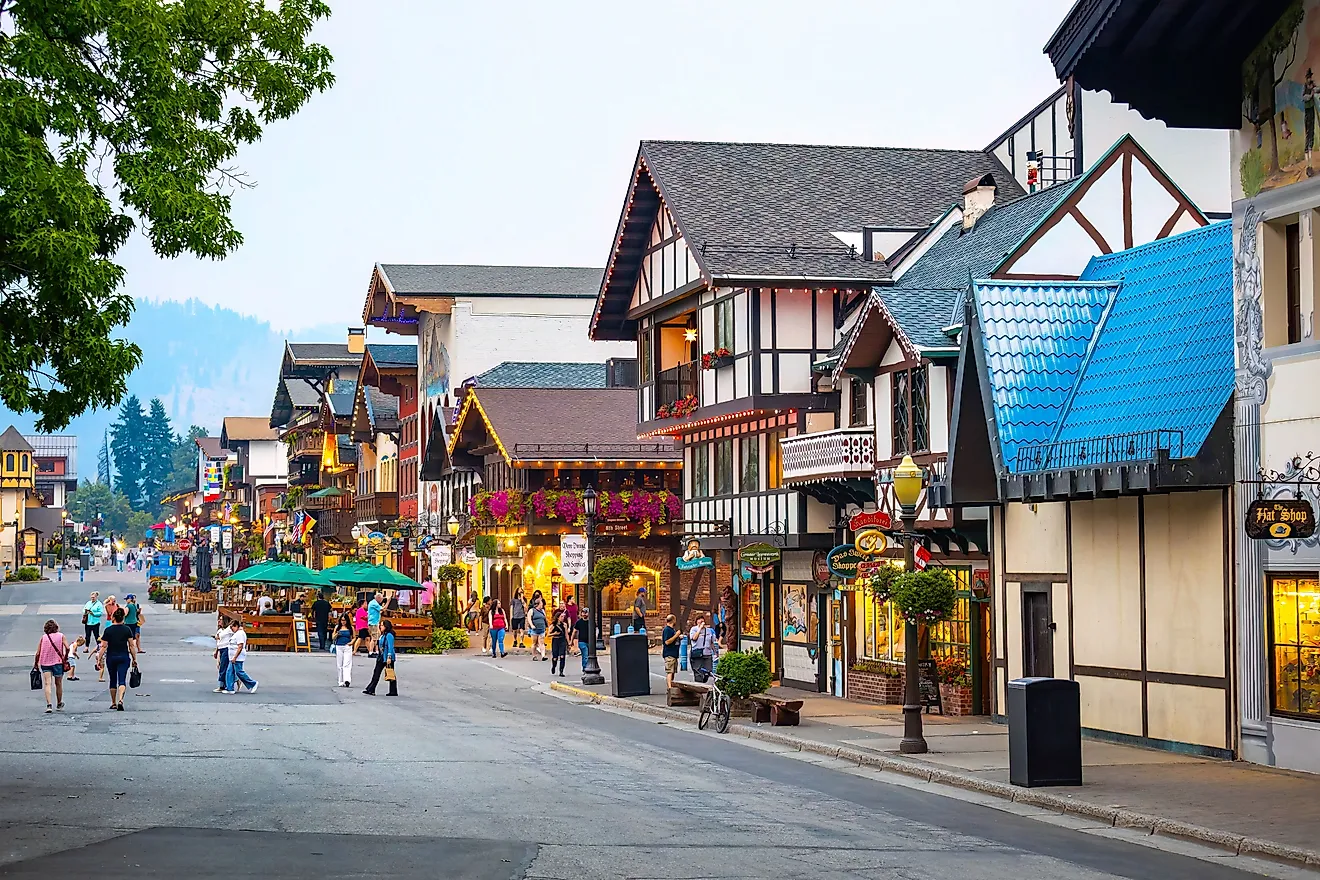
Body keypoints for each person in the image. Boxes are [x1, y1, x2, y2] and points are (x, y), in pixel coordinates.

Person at [96, 608, 138, 710]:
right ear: (123, 618)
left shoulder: (108, 630)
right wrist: (134, 659)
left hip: (111, 657)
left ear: (113, 618)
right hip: (123, 657)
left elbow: (103, 646)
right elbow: (131, 646)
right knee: (122, 680)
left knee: (113, 679)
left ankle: (113, 702)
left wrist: (99, 659)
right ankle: (121, 700)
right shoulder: (127, 629)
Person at [33, 620, 69, 713]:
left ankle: (49, 705)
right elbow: (68, 647)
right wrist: (65, 656)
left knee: (47, 683)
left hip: (45, 662)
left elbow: (38, 653)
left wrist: (36, 663)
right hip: (58, 662)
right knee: (58, 683)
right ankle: (59, 703)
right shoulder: (61, 636)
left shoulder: (44, 637)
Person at [363, 618, 397, 696]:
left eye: (382, 625)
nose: (380, 627)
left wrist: (389, 657)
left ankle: (393, 691)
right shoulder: (383, 635)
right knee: (376, 672)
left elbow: (390, 647)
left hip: (387, 657)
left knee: (390, 673)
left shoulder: (389, 635)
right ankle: (371, 688)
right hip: (381, 656)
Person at [223, 619, 258, 694]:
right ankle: (230, 688)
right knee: (230, 672)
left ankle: (252, 683)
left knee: (239, 672)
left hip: (237, 657)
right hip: (232, 657)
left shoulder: (240, 634)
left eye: (232, 627)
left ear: (236, 626)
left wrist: (235, 657)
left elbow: (240, 646)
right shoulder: (236, 634)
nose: (231, 629)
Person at [688, 613, 718, 682]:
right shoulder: (694, 629)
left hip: (707, 654)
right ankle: (699, 688)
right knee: (698, 673)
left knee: (708, 672)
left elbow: (711, 642)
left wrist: (715, 652)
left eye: (702, 620)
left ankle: (703, 681)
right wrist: (699, 629)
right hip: (697, 653)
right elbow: (694, 638)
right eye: (699, 620)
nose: (701, 621)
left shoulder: (709, 630)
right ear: (696, 622)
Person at [333, 613, 355, 687]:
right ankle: (340, 681)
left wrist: (351, 642)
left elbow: (354, 637)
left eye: (344, 620)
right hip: (339, 646)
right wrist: (337, 634)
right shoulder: (337, 627)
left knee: (347, 663)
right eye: (342, 620)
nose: (343, 622)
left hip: (347, 646)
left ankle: (347, 680)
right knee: (340, 664)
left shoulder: (351, 628)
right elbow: (333, 637)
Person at [661, 614, 682, 690]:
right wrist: (676, 635)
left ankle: (672, 685)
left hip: (674, 653)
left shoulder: (672, 629)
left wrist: (679, 637)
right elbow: (667, 642)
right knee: (670, 671)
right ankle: (669, 688)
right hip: (669, 653)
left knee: (673, 672)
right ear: (673, 620)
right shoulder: (667, 630)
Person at [549, 609, 570, 677]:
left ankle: (561, 671)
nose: (563, 618)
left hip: (562, 640)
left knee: (562, 656)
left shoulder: (564, 625)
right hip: (555, 640)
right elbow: (548, 634)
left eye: (563, 617)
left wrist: (569, 642)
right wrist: (554, 633)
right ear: (558, 617)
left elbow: (566, 634)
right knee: (555, 657)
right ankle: (553, 666)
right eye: (561, 616)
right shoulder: (553, 625)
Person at [212, 621, 231, 693]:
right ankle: (227, 682)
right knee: (219, 666)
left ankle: (222, 685)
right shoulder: (220, 630)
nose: (219, 621)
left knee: (223, 667)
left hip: (226, 648)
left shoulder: (228, 630)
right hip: (220, 649)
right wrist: (216, 651)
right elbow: (218, 642)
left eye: (221, 619)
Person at [574, 606, 592, 672]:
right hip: (582, 641)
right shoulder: (579, 622)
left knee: (589, 655)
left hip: (590, 641)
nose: (584, 614)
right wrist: (571, 640)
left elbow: (595, 630)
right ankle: (585, 668)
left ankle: (587, 666)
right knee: (585, 654)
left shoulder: (591, 622)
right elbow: (574, 631)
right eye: (583, 612)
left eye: (586, 613)